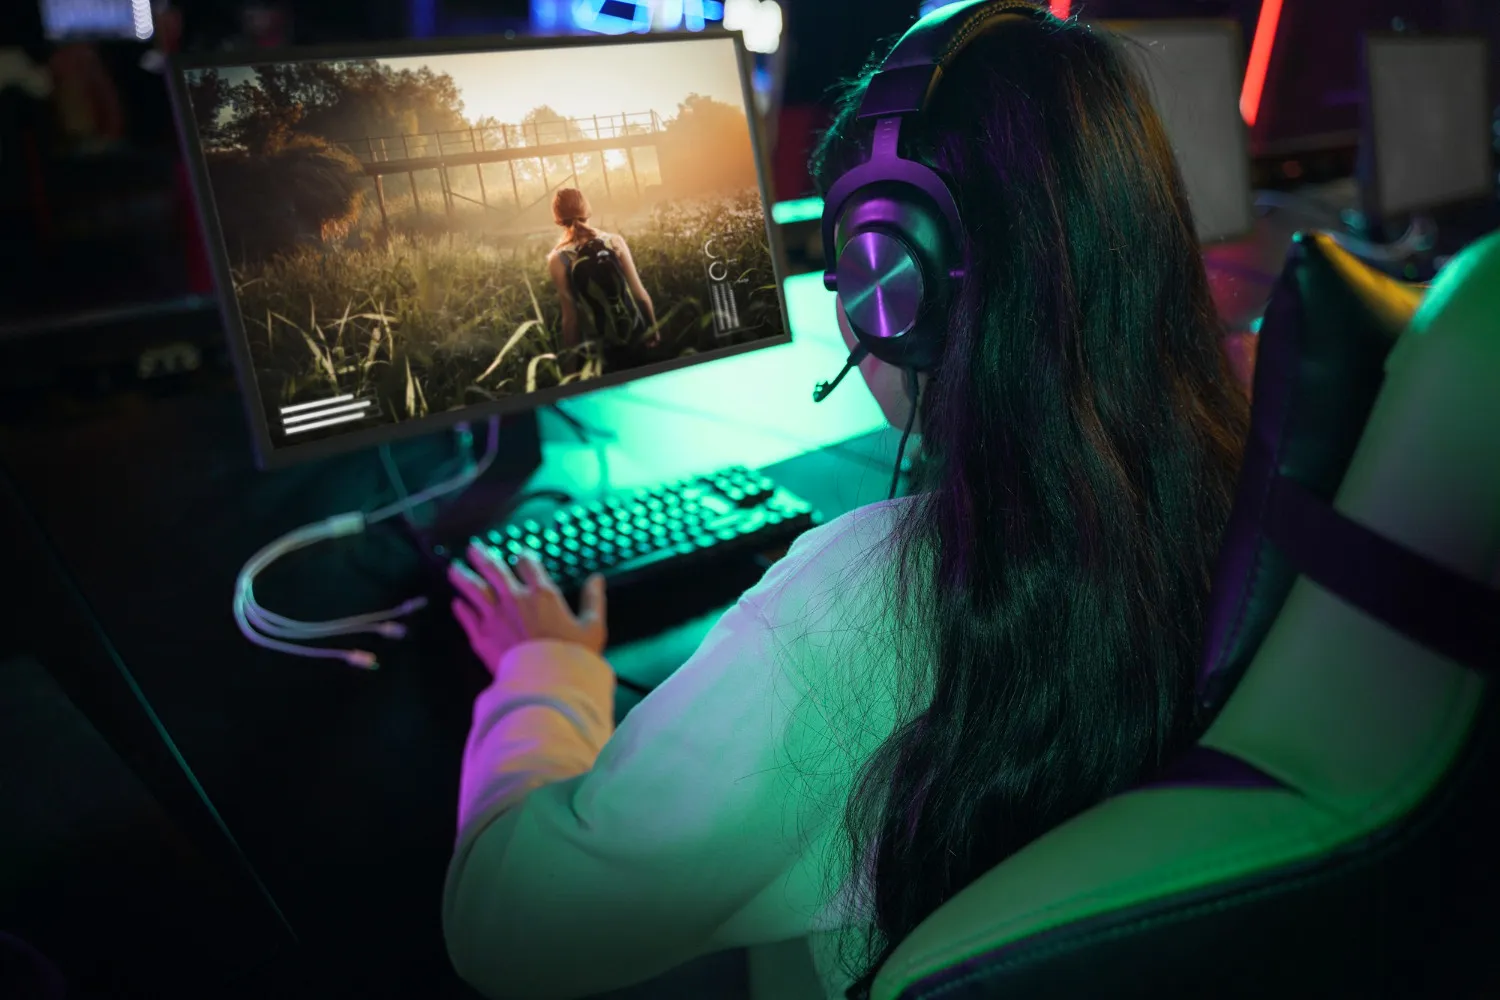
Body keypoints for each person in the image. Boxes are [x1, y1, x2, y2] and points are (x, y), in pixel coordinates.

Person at [443, 8, 1249, 1000]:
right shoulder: (1243, 485)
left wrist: (544, 674)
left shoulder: (855, 615)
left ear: (893, 290)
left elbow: (511, 925)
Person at [546, 187, 658, 375]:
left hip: (597, 349)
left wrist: (571, 366)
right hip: (633, 334)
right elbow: (639, 294)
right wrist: (653, 328)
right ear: (586, 209)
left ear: (558, 218)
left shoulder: (558, 259)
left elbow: (570, 318)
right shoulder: (614, 242)